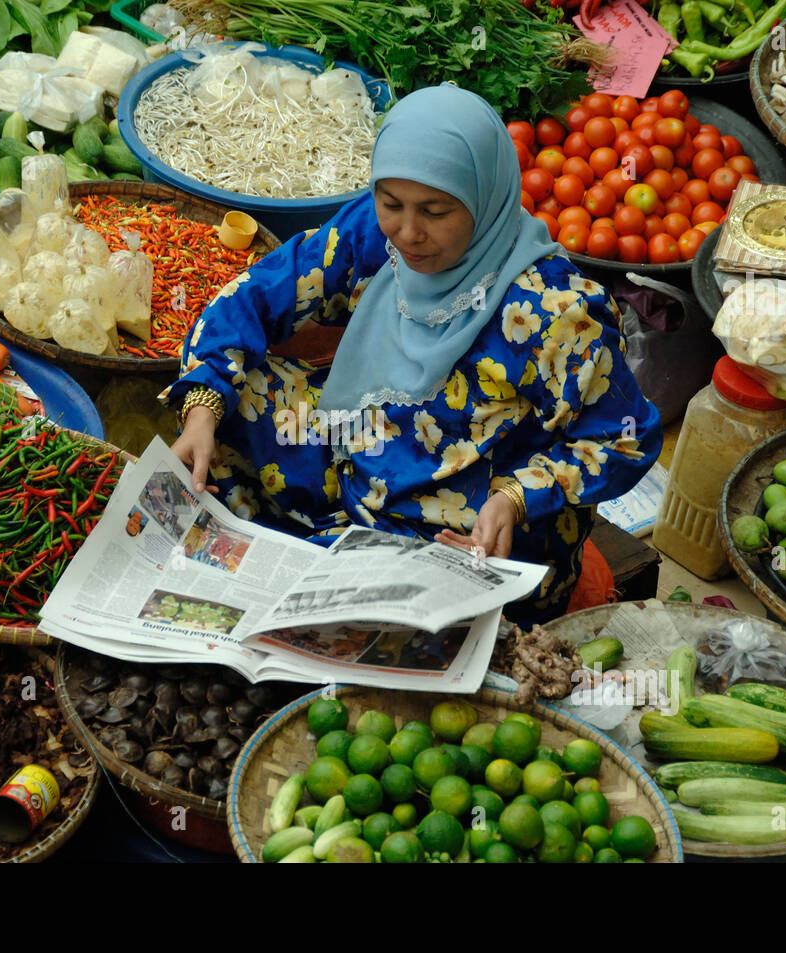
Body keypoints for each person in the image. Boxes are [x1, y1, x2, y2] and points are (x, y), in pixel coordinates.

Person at [163, 84, 662, 623]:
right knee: (241, 391)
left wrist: (518, 497)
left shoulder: (554, 312)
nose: (407, 232)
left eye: (436, 210)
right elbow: (258, 294)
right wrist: (201, 410)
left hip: (467, 525)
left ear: (484, 197)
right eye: (391, 204)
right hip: (358, 448)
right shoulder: (375, 236)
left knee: (414, 617)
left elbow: (626, 438)